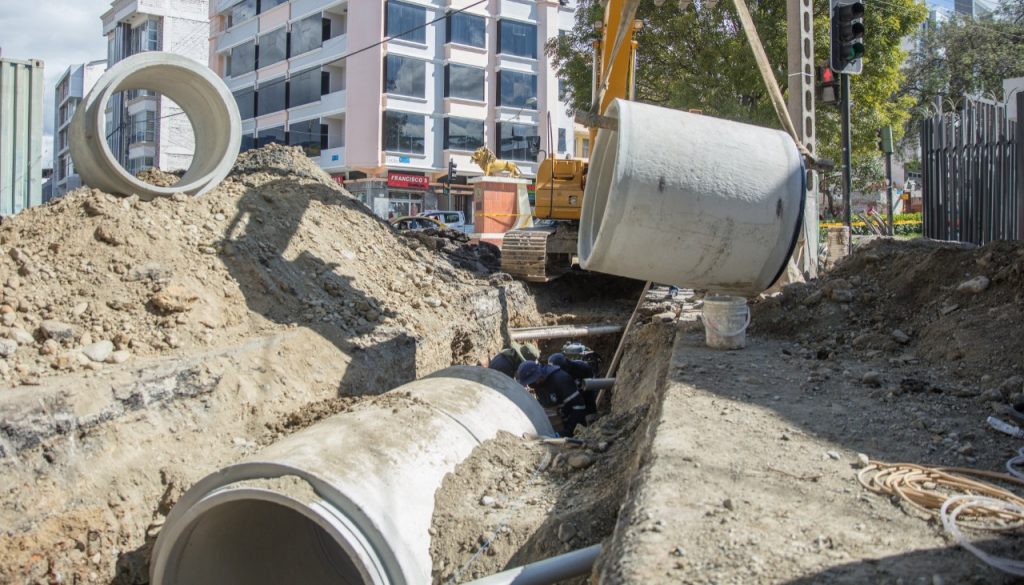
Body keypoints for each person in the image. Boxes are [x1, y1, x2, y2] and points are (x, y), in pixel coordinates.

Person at [516, 361, 589, 436]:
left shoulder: (560, 379)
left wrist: (567, 432)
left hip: (574, 425)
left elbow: (579, 408)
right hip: (559, 422)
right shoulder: (537, 384)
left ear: (538, 374)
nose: (530, 385)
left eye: (531, 381)